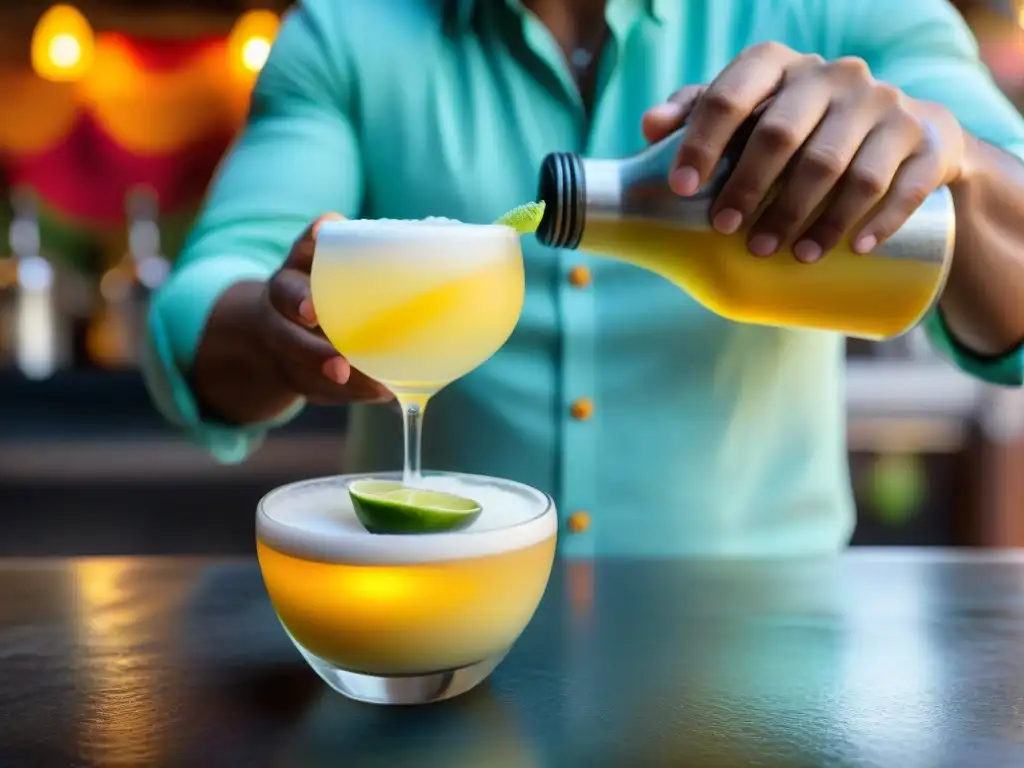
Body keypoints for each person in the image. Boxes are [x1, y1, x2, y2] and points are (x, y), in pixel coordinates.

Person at [144, 0, 1024, 557]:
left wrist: (962, 165)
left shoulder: (850, 14)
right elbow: (201, 299)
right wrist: (276, 330)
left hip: (766, 651)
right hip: (449, 634)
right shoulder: (347, 33)